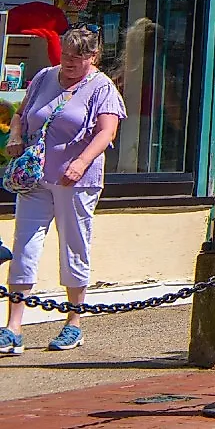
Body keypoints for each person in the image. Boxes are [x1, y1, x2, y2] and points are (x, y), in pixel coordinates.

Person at [3, 28, 125, 353]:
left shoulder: (102, 88)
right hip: (36, 177)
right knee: (25, 244)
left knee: (74, 246)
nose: (69, 62)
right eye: (66, 54)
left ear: (93, 57)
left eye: (78, 57)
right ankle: (13, 327)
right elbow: (21, 115)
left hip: (76, 181)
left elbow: (107, 132)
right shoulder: (45, 76)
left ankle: (74, 322)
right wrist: (15, 137)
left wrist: (81, 162)